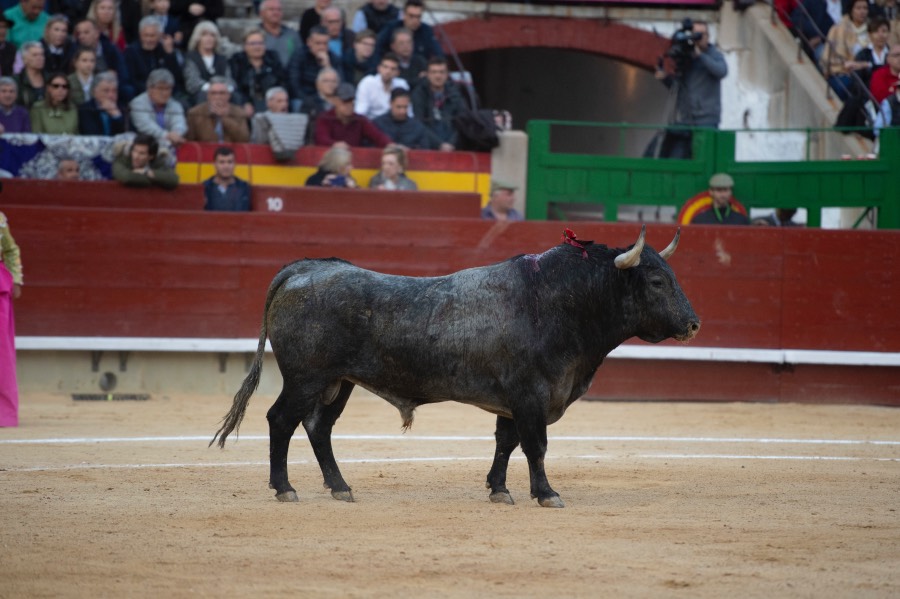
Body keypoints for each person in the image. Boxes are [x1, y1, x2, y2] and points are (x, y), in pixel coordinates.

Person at [654, 19, 728, 159]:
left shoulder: (714, 55)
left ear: (708, 36)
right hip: (686, 121)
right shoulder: (688, 58)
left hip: (706, 122)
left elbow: (722, 71)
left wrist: (700, 56)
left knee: (703, 162)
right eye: (696, 35)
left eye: (702, 35)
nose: (699, 38)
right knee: (677, 162)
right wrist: (664, 77)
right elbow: (680, 89)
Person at [410, 56, 466, 148]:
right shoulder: (419, 93)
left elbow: (464, 121)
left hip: (454, 146)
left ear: (447, 74)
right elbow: (419, 123)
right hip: (428, 145)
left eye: (441, 72)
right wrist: (439, 144)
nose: (438, 76)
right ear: (427, 74)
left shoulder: (455, 93)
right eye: (434, 72)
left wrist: (452, 143)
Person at [230, 27, 287, 117]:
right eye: (252, 44)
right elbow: (235, 86)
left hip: (270, 101)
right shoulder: (237, 61)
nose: (257, 47)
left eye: (260, 43)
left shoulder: (273, 58)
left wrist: (277, 99)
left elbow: (282, 81)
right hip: (247, 102)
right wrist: (244, 102)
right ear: (245, 46)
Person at [314, 81, 391, 147]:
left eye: (351, 102)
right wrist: (334, 144)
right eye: (345, 102)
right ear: (335, 101)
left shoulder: (360, 120)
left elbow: (378, 136)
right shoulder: (325, 118)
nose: (349, 105)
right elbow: (321, 139)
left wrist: (390, 145)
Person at [73, 18, 133, 100]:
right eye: (79, 33)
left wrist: (113, 79)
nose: (81, 36)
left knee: (127, 90)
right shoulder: (74, 50)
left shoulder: (110, 48)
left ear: (97, 33)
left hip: (111, 85)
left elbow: (123, 73)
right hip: (86, 85)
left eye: (86, 32)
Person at [821, 0, 871, 99]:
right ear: (851, 10)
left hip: (868, 73)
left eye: (865, 8)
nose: (862, 11)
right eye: (858, 8)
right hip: (843, 73)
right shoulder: (838, 29)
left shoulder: (873, 29)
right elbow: (830, 57)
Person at [0, 209, 22, 427]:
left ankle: (3, 412)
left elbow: (10, 250)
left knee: (1, 351)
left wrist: (15, 279)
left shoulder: (0, 219)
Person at [125, 17, 184, 98]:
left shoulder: (164, 50)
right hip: (142, 94)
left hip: (166, 93)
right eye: (145, 35)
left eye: (152, 36)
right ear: (140, 34)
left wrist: (170, 55)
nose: (148, 39)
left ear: (160, 36)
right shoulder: (131, 52)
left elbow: (176, 78)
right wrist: (153, 92)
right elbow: (132, 80)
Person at [373, 87, 446, 149]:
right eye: (399, 107)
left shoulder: (417, 127)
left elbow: (424, 150)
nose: (402, 111)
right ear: (390, 104)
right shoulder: (377, 125)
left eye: (405, 107)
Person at [287, 25, 342, 105]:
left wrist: (327, 67)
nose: (322, 47)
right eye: (318, 43)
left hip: (328, 99)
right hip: (304, 98)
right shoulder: (299, 56)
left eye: (325, 44)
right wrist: (309, 102)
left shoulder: (333, 58)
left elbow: (340, 85)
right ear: (309, 42)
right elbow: (294, 84)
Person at [129, 68, 187, 145]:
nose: (165, 93)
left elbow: (180, 124)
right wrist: (167, 135)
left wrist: (176, 134)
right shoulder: (137, 103)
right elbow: (146, 126)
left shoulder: (175, 105)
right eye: (160, 88)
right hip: (145, 145)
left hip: (172, 144)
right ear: (150, 88)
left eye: (167, 88)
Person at [182, 20, 232, 107]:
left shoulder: (222, 59)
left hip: (222, 92)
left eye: (212, 35)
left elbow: (229, 79)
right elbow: (192, 83)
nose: (209, 38)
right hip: (199, 96)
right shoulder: (191, 58)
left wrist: (223, 89)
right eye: (204, 35)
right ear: (198, 38)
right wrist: (212, 89)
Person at [186, 76, 250, 142]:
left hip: (232, 151)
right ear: (208, 95)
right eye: (213, 93)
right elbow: (190, 141)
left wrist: (224, 118)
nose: (217, 97)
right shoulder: (195, 113)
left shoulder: (239, 112)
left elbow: (244, 139)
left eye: (222, 93)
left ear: (229, 95)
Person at [375, 0, 443, 62]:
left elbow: (438, 53)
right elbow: (377, 46)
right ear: (404, 15)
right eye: (411, 16)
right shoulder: (391, 28)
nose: (415, 20)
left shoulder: (426, 31)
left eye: (418, 17)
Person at [251, 86, 307, 160]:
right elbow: (259, 143)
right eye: (279, 101)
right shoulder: (261, 119)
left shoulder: (295, 121)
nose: (284, 104)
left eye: (286, 101)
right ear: (269, 103)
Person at [112, 132, 179, 188]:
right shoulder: (123, 158)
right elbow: (127, 178)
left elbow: (173, 179)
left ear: (151, 156)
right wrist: (155, 180)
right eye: (134, 151)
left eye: (141, 153)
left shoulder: (157, 161)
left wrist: (146, 172)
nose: (136, 156)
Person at [355, 52, 408, 120]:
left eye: (393, 69)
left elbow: (408, 112)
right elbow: (360, 111)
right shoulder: (367, 83)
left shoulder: (402, 85)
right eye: (385, 67)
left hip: (395, 124)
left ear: (397, 72)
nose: (388, 71)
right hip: (371, 124)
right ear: (379, 68)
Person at [78, 71, 127, 135]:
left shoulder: (122, 108)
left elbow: (128, 133)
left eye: (114, 91)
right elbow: (91, 133)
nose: (111, 95)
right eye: (106, 91)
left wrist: (116, 116)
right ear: (94, 92)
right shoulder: (86, 109)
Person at [298, 66, 339, 143]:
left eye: (334, 81)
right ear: (318, 84)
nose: (330, 84)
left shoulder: (341, 104)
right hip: (315, 144)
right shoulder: (309, 103)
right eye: (326, 81)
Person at [204, 146, 251, 211]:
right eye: (222, 162)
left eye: (229, 162)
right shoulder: (204, 188)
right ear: (215, 164)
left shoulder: (244, 188)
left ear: (235, 164)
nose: (226, 166)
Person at [259, 0, 300, 68]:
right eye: (271, 9)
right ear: (261, 13)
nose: (276, 12)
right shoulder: (254, 35)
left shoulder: (292, 34)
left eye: (279, 10)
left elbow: (300, 58)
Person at [14, 40, 44, 107]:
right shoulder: (16, 81)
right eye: (35, 55)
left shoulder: (50, 79)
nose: (40, 58)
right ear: (24, 59)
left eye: (41, 55)